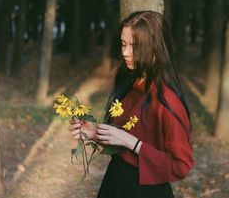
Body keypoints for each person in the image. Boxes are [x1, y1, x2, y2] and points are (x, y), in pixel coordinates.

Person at [69, 11, 193, 198]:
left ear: (156, 48)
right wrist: (95, 133)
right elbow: (122, 137)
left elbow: (180, 166)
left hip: (145, 191)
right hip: (115, 182)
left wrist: (132, 142)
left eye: (134, 46)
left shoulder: (168, 102)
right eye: (123, 44)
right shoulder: (130, 83)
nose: (125, 52)